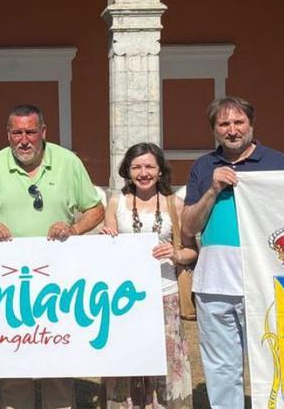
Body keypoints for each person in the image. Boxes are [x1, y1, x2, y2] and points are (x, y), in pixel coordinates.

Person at [0, 104, 106, 409]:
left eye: (31, 132)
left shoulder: (67, 162)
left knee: (57, 356)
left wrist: (73, 229)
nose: (24, 140)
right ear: (8, 134)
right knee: (14, 356)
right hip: (9, 281)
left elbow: (95, 209)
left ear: (43, 132)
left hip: (58, 282)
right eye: (17, 132)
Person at [181, 96, 284, 409]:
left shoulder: (281, 164)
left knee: (274, 364)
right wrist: (212, 189)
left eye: (238, 122)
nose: (232, 130)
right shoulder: (203, 167)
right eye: (224, 124)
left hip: (266, 284)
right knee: (221, 369)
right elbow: (189, 226)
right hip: (214, 286)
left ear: (251, 124)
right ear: (215, 130)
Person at [100, 142, 197, 409]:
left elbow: (192, 251)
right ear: (127, 171)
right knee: (125, 360)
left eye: (149, 166)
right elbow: (105, 250)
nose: (143, 172)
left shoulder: (174, 203)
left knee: (165, 362)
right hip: (124, 298)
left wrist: (176, 254)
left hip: (165, 294)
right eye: (137, 167)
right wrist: (106, 239)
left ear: (160, 170)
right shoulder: (116, 203)